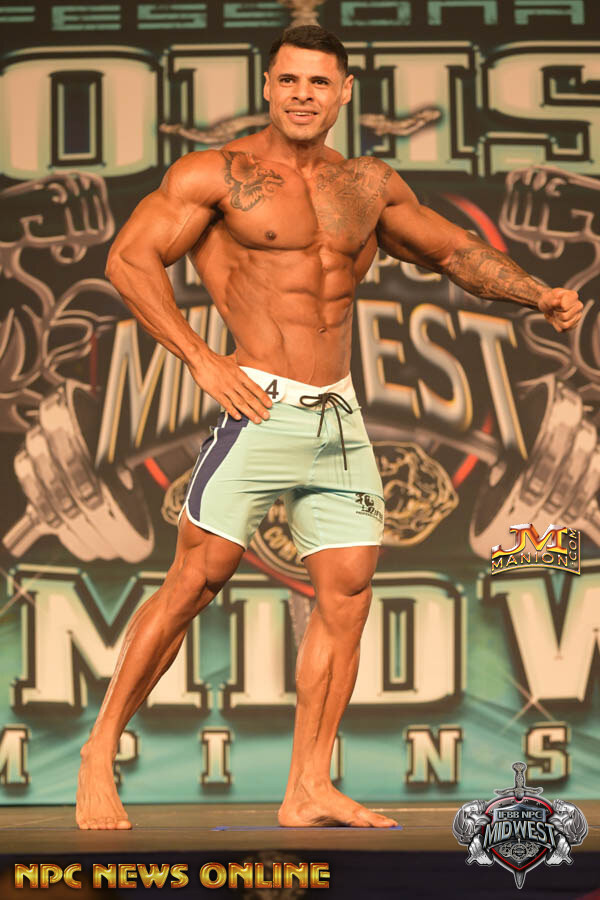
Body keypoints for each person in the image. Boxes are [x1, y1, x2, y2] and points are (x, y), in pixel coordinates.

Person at [75, 25, 583, 831]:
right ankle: (100, 747)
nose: (303, 95)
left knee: (346, 595)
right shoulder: (217, 174)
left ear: (345, 92)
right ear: (267, 86)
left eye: (319, 82)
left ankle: (308, 785)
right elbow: (129, 260)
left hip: (339, 416)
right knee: (196, 581)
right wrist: (201, 359)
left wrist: (540, 294)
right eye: (289, 80)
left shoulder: (367, 185)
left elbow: (454, 252)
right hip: (259, 404)